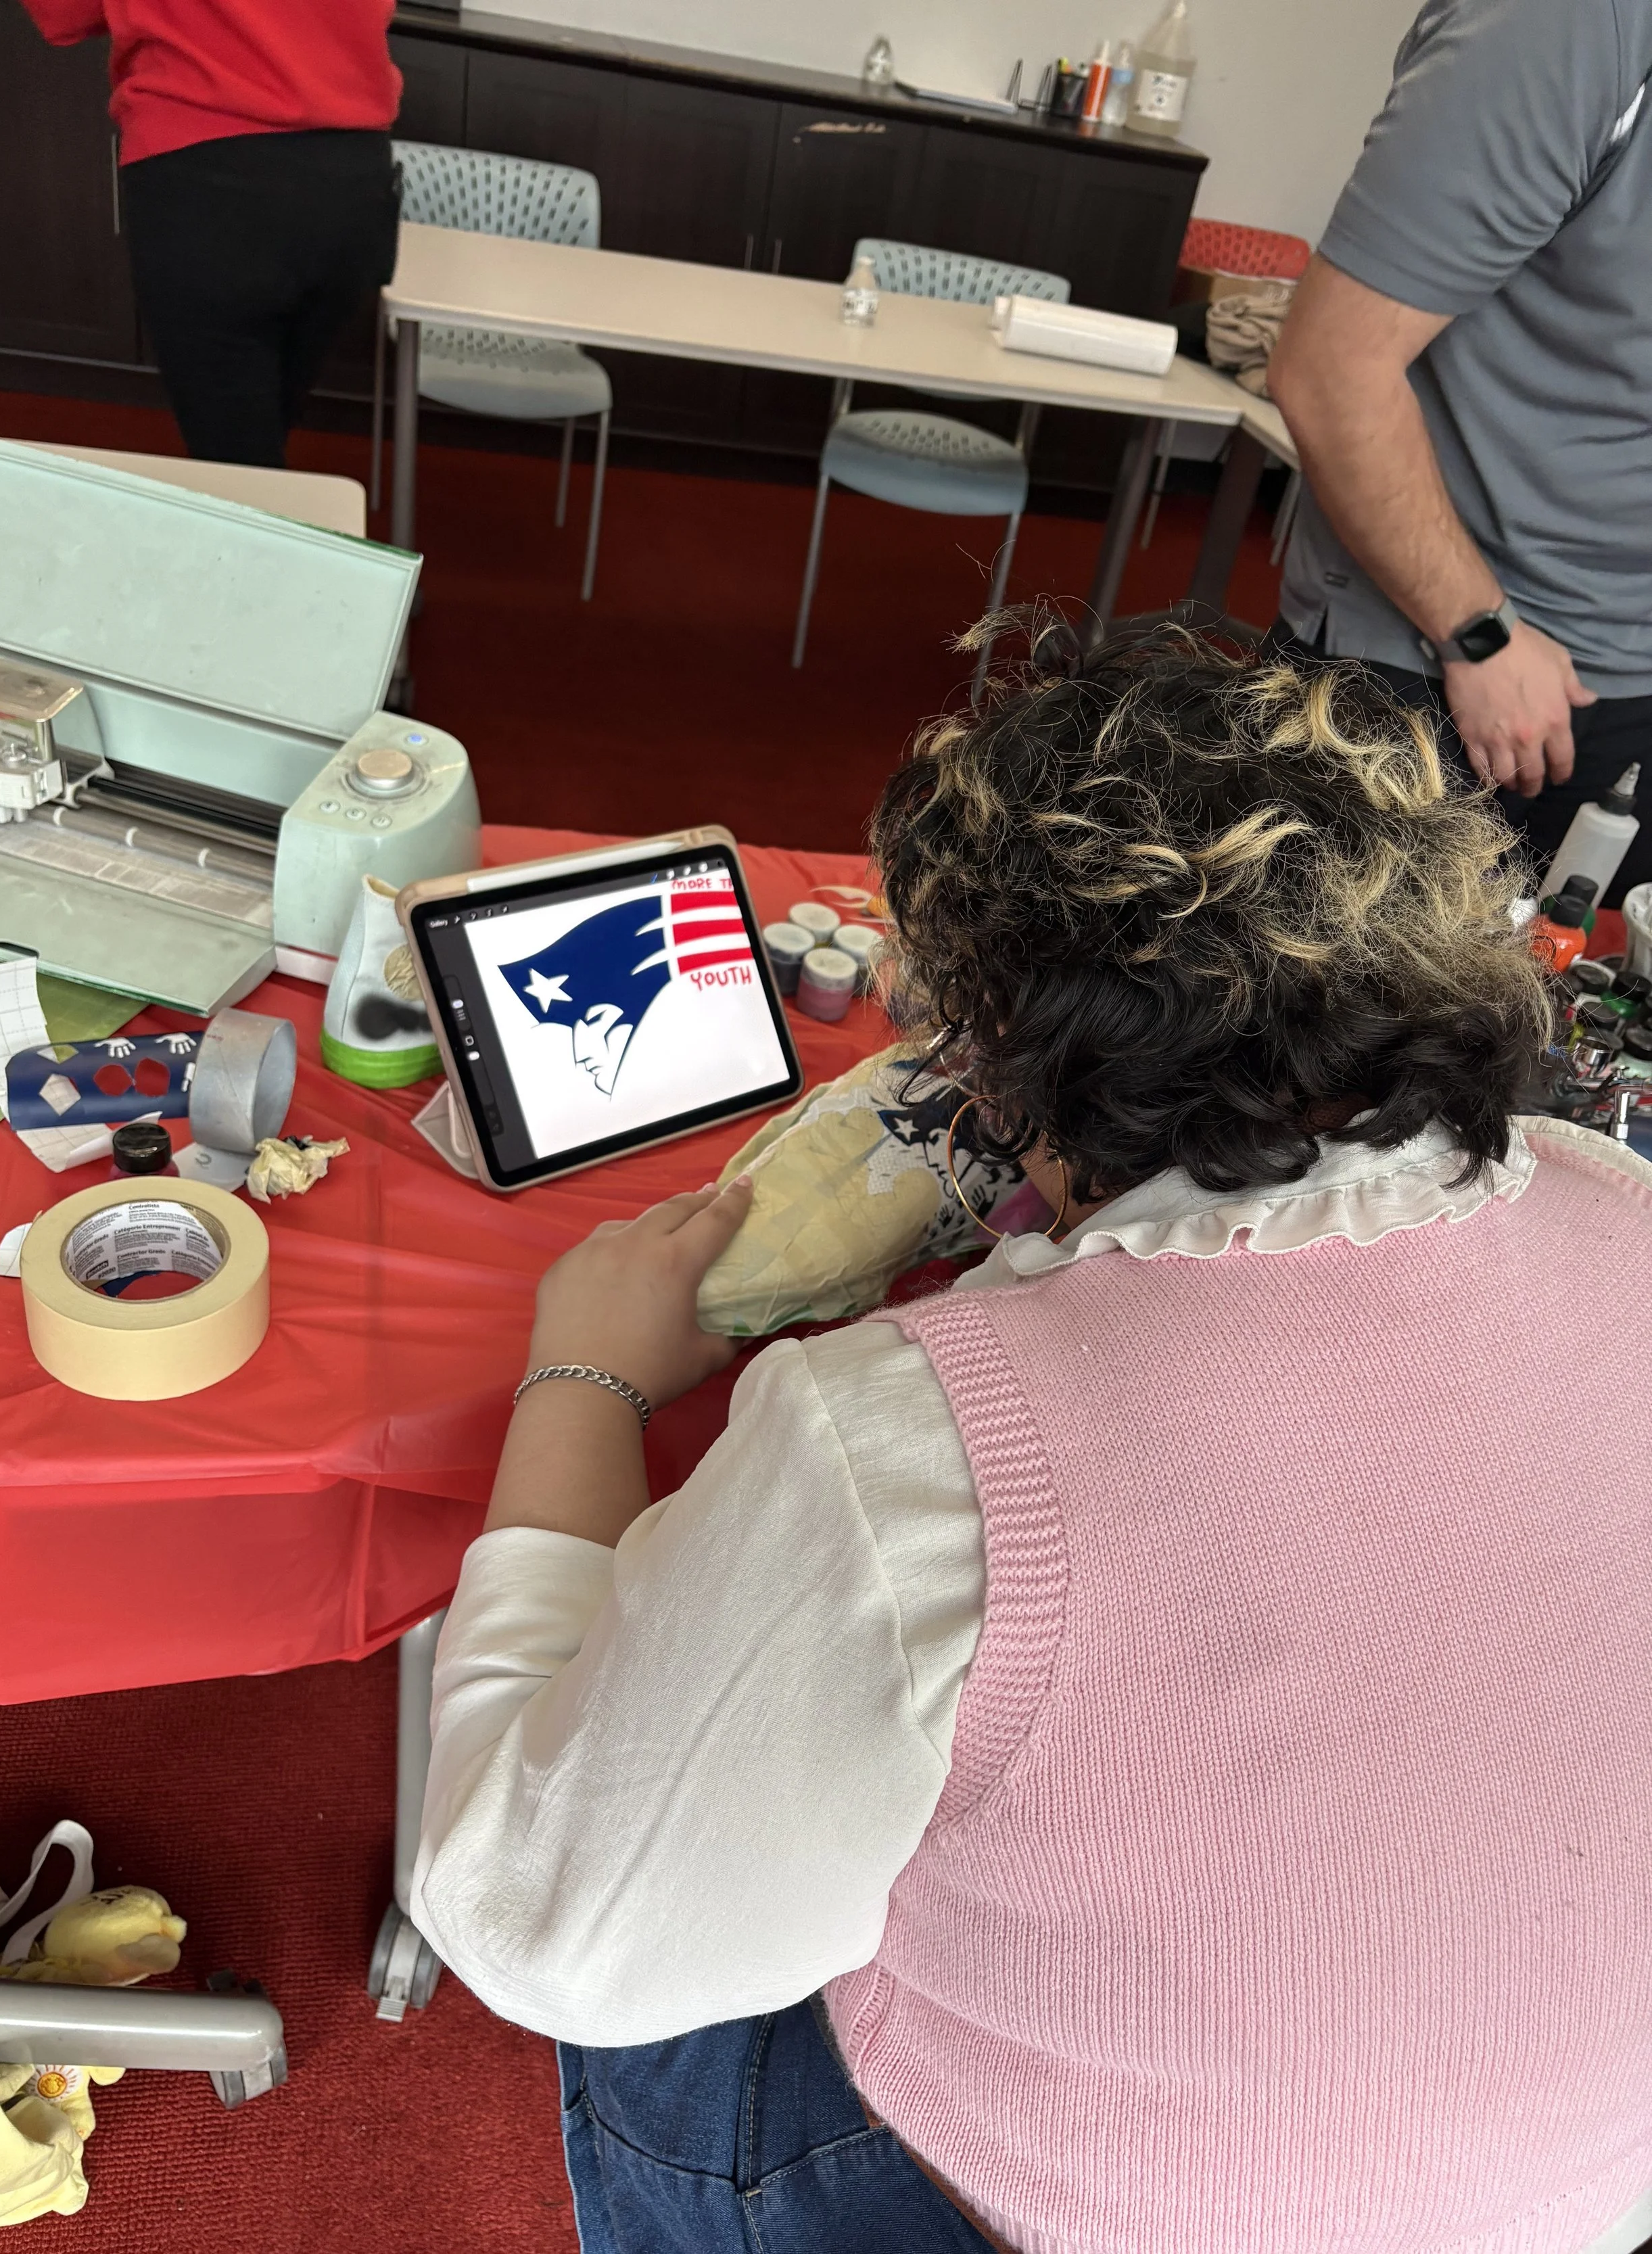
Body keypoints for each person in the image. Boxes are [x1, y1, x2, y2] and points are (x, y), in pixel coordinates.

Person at [412, 625, 1652, 2254]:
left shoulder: (902, 1424)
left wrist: (585, 1379)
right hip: (1572, 2191)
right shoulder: (1611, 1200)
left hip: (1086, 2210)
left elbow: (546, 1930)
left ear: (999, 1069)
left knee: (660, 1931)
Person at [1267, 0, 1652, 903]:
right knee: (1323, 1025)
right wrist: (1479, 631)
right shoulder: (1569, 25)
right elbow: (1331, 370)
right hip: (1458, 666)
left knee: (1570, 1027)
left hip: (1627, 668)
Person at [19, 0, 402, 469]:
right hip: (352, 178)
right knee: (259, 440)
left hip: (206, 173)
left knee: (238, 462)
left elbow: (67, 13)